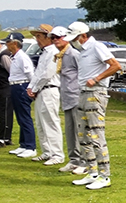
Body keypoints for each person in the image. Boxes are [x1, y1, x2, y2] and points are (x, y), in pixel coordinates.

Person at [66, 22, 122, 190]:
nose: (73, 41)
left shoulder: (96, 46)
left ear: (83, 35)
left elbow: (115, 65)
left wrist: (97, 78)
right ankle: (92, 172)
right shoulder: (82, 51)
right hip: (83, 92)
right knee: (83, 134)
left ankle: (105, 176)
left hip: (95, 93)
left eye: (75, 38)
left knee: (96, 134)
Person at [49, 26, 88, 174]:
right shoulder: (61, 55)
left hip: (76, 97)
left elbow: (83, 74)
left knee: (80, 131)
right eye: (53, 38)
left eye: (58, 37)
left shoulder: (73, 54)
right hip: (66, 97)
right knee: (70, 131)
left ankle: (84, 162)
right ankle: (74, 160)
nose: (55, 40)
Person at [27, 24, 64, 167]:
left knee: (51, 122)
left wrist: (34, 88)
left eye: (39, 36)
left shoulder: (54, 52)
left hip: (50, 89)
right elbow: (37, 73)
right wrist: (31, 87)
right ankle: (47, 151)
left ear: (47, 37)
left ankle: (57, 154)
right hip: (41, 90)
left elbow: (48, 74)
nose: (37, 40)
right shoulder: (44, 52)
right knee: (41, 123)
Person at [5, 33, 37, 159]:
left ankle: (30, 146)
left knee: (24, 116)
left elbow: (30, 73)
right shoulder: (14, 57)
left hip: (21, 86)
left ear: (15, 43)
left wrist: (31, 88)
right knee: (19, 117)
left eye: (8, 42)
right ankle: (23, 144)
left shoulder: (22, 57)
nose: (6, 44)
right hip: (14, 86)